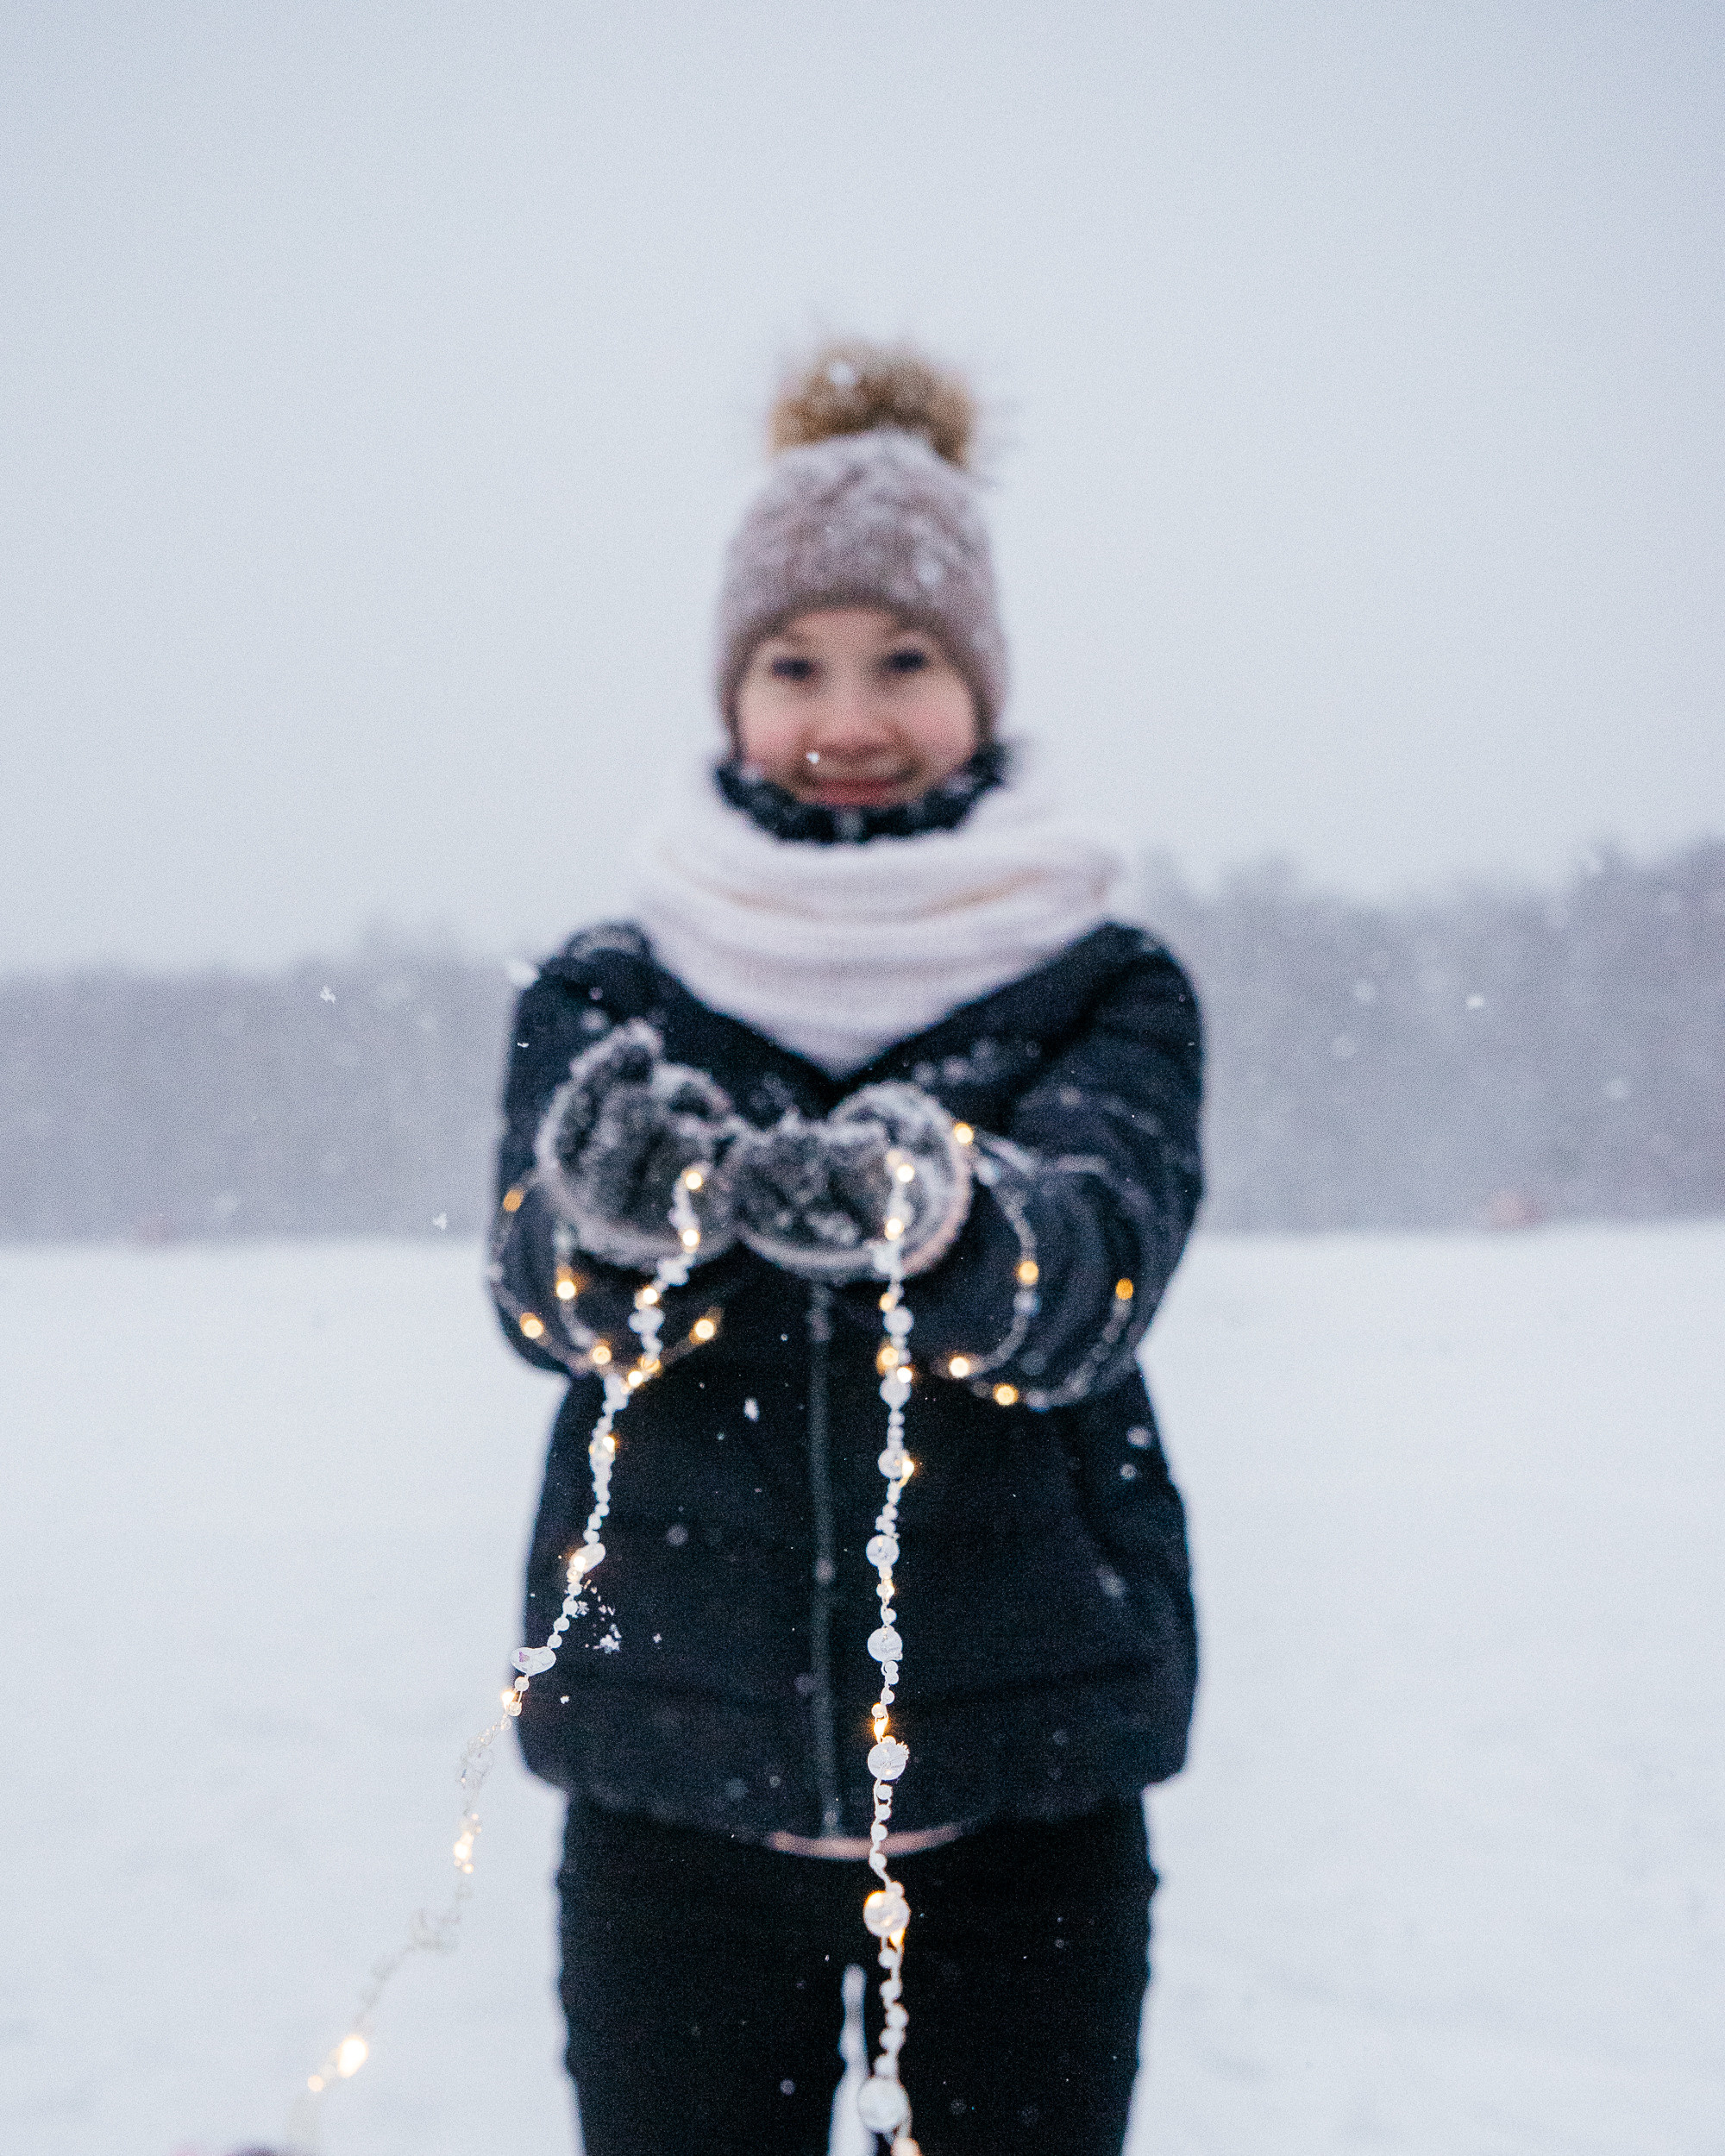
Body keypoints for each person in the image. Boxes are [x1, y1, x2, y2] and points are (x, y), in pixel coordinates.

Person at [489, 342, 1203, 2156]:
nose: (849, 712)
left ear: (981, 681)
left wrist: (950, 1220)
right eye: (793, 662)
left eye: (903, 659)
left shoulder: (1101, 984)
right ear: (729, 684)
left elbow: (1088, 1280)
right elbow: (540, 1301)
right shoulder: (613, 985)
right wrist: (614, 1221)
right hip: (672, 1786)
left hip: (1021, 1801)